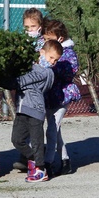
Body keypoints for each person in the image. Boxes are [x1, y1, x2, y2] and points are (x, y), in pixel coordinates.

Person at [9, 39, 61, 183]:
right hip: (22, 108)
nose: (52, 62)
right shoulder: (32, 66)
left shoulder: (46, 72)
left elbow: (21, 81)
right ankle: (32, 158)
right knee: (17, 140)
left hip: (36, 111)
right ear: (41, 52)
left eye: (55, 60)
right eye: (51, 58)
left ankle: (40, 169)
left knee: (37, 141)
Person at [42, 18, 81, 177]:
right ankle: (65, 161)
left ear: (60, 39)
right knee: (55, 131)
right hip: (51, 96)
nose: (45, 42)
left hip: (62, 96)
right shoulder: (46, 51)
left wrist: (51, 66)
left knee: (51, 130)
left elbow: (68, 72)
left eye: (48, 39)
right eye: (44, 39)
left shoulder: (68, 54)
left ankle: (47, 163)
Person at [12, 7, 46, 172]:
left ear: (39, 26)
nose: (29, 30)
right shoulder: (22, 42)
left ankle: (36, 161)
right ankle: (28, 155)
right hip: (22, 94)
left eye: (32, 27)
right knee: (20, 133)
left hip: (34, 94)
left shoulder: (42, 44)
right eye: (26, 27)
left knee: (35, 130)